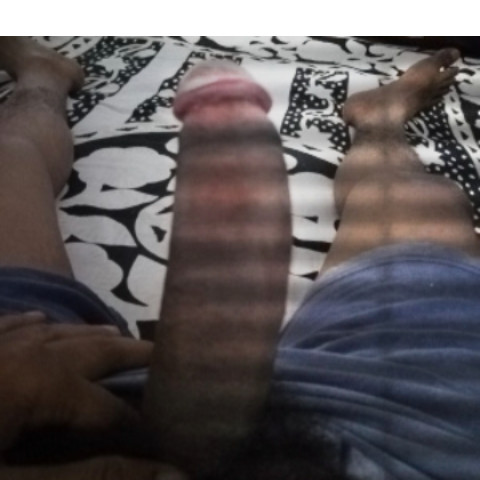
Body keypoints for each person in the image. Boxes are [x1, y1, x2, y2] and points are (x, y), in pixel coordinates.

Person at [0, 36, 478, 480]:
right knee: (423, 205)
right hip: (413, 439)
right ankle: (380, 119)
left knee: (9, 161)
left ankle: (43, 76)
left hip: (31, 411)